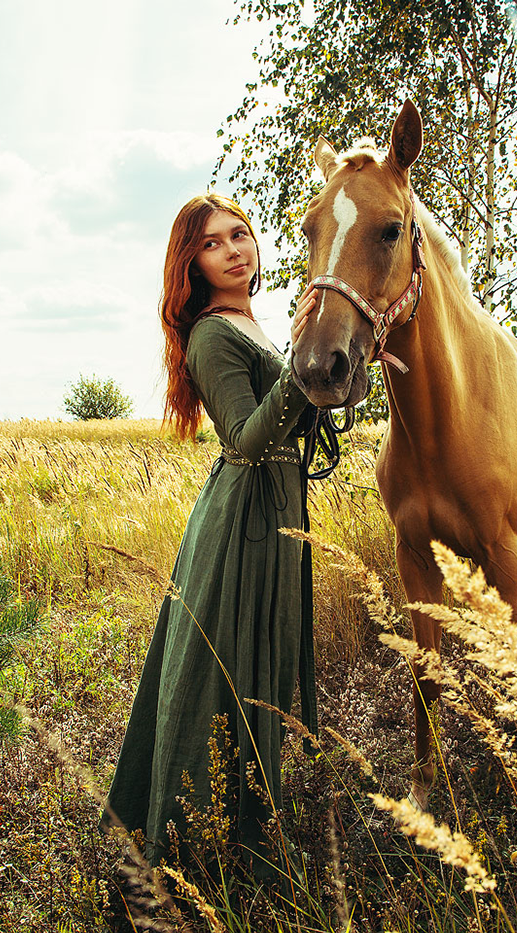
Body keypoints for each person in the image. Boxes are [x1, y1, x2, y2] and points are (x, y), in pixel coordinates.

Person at [103, 194, 321, 873]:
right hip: (243, 521)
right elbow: (247, 441)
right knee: (227, 668)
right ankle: (205, 841)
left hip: (278, 512)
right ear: (191, 263)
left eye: (241, 234)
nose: (234, 248)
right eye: (213, 242)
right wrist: (301, 365)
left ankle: (251, 816)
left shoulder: (256, 327)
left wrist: (322, 353)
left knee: (266, 657)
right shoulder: (212, 334)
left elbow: (307, 418)